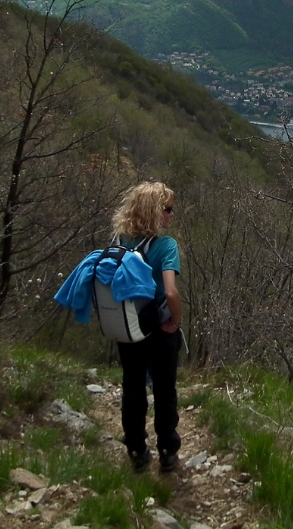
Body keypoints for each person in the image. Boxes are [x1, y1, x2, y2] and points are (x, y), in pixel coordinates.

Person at [110, 181, 183, 472]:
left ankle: (137, 449)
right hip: (159, 328)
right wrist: (175, 321)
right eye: (167, 209)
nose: (171, 215)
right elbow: (170, 293)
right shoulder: (166, 246)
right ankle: (167, 449)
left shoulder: (119, 240)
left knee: (133, 385)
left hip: (128, 326)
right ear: (154, 213)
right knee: (165, 388)